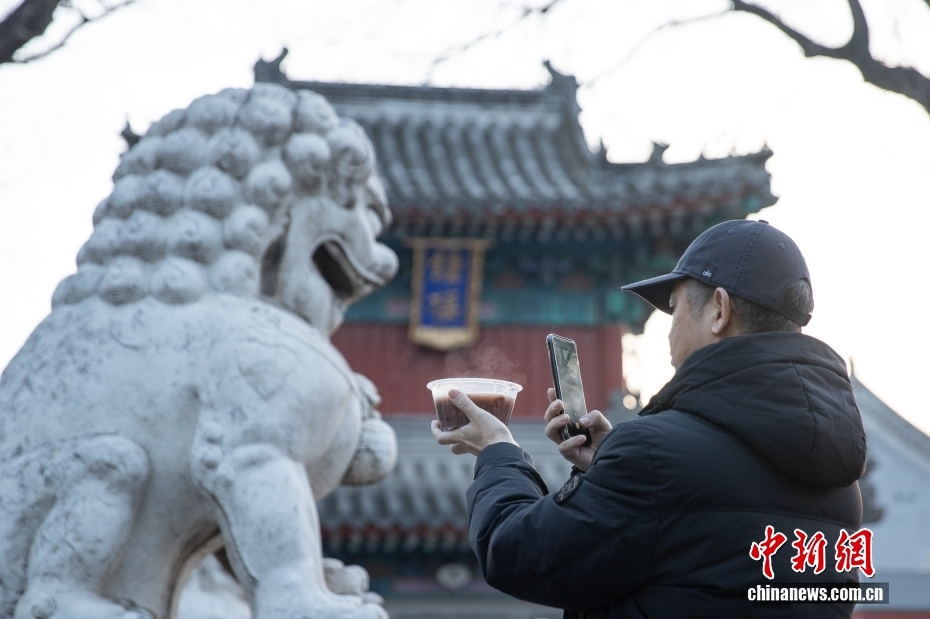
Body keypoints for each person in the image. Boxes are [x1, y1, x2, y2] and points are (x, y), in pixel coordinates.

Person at [431, 220, 866, 618]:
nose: (670, 331)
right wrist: (611, 467)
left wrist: (499, 452)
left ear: (719, 309)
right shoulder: (841, 485)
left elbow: (517, 554)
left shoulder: (655, 457)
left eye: (674, 310)